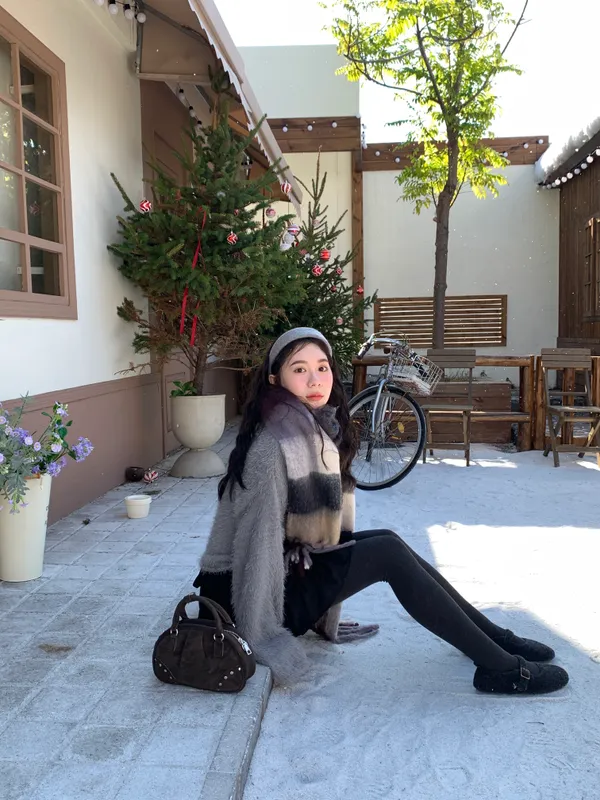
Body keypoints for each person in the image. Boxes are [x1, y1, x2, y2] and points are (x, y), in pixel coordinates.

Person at [194, 327, 569, 695]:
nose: (314, 379)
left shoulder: (310, 427)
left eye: (322, 367)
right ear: (275, 379)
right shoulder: (272, 447)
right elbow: (257, 546)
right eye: (299, 369)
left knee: (388, 540)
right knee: (387, 554)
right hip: (247, 597)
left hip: (287, 571)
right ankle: (499, 667)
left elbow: (323, 535)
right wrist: (259, 632)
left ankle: (495, 638)